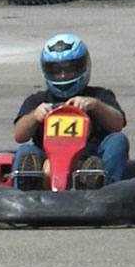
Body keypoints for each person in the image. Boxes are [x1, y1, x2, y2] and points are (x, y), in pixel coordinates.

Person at [12, 34, 128, 190]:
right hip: (49, 163)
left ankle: (103, 185)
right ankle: (27, 187)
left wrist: (96, 105)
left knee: (118, 140)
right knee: (26, 150)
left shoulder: (99, 96)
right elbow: (19, 136)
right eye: (55, 71)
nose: (62, 76)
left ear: (83, 66)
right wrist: (35, 116)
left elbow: (117, 125)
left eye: (69, 70)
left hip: (91, 159)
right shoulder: (37, 100)